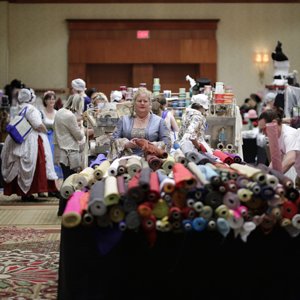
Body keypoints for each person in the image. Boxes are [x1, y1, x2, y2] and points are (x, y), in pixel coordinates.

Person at [1, 88, 58, 201]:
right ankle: (30, 191)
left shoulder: (18, 108)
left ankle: (25, 192)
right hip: (31, 139)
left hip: (18, 138)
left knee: (21, 164)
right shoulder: (31, 109)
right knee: (37, 163)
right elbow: (38, 124)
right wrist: (45, 130)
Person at [109, 87, 171, 159]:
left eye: (145, 101)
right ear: (134, 103)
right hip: (126, 161)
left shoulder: (159, 121)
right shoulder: (123, 120)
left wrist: (152, 145)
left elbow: (167, 143)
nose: (142, 103)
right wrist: (126, 144)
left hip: (152, 161)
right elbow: (113, 140)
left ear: (150, 104)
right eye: (139, 101)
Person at [53, 93, 86, 215]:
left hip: (60, 150)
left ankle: (63, 209)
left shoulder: (60, 112)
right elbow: (79, 135)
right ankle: (65, 209)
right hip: (69, 152)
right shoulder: (70, 116)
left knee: (66, 180)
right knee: (70, 182)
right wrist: (81, 126)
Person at [258, 109, 300, 185]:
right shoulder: (277, 136)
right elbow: (277, 159)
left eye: (264, 129)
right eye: (261, 130)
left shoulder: (289, 135)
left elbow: (290, 159)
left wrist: (274, 177)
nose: (263, 133)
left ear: (274, 123)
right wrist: (266, 174)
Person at [40, 91, 63, 194]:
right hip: (44, 138)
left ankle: (54, 188)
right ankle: (43, 188)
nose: (52, 101)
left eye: (53, 99)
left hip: (55, 140)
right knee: (44, 162)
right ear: (45, 100)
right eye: (49, 99)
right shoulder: (41, 112)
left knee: (55, 162)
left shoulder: (57, 112)